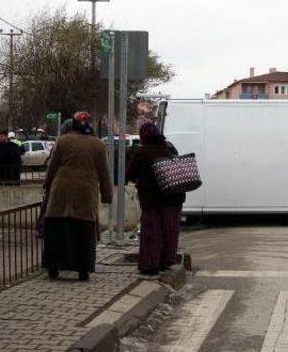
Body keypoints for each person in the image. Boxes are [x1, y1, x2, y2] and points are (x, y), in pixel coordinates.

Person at [43, 112, 112, 281]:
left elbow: (52, 166)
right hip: (85, 192)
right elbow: (104, 173)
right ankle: (83, 269)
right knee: (83, 229)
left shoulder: (63, 140)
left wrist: (48, 185)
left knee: (57, 228)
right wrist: (107, 195)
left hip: (61, 190)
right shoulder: (98, 145)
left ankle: (54, 266)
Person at [127, 122, 185, 275]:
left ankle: (151, 264)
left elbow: (130, 174)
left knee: (152, 232)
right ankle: (167, 261)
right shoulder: (169, 148)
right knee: (170, 231)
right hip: (173, 197)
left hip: (152, 199)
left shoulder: (143, 152)